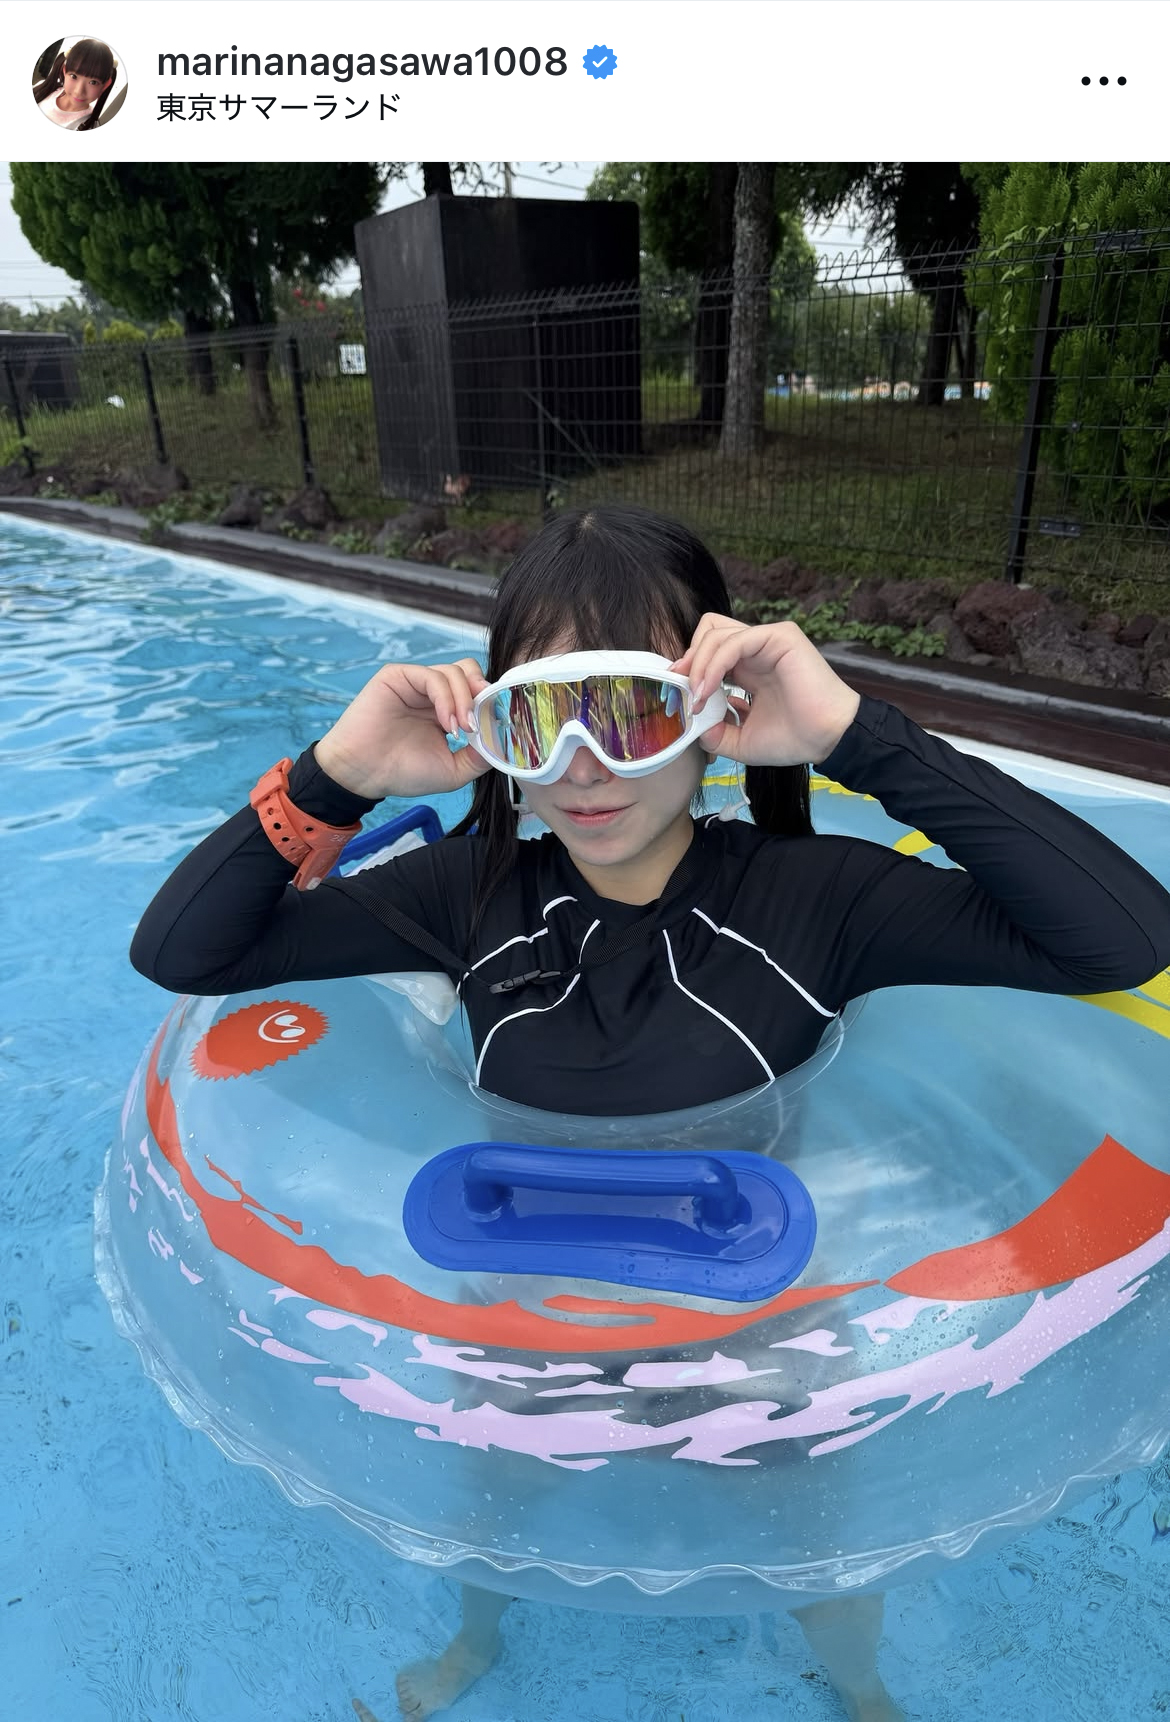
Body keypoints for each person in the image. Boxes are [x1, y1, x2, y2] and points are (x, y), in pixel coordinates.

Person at [131, 504, 1170, 1722]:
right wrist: (335, 776)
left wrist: (851, 735)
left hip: (755, 1322)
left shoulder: (814, 900)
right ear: (495, 729)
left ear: (709, 706)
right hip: (525, 1314)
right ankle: (473, 1646)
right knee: (488, 1515)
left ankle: (862, 1690)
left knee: (818, 1546)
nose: (583, 768)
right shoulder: (468, 895)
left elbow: (1121, 937)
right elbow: (184, 952)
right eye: (540, 718)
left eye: (627, 713)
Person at [32, 39, 117, 131]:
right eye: (74, 76)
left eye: (93, 82)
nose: (79, 91)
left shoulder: (89, 127)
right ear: (64, 71)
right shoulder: (42, 90)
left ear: (105, 85)